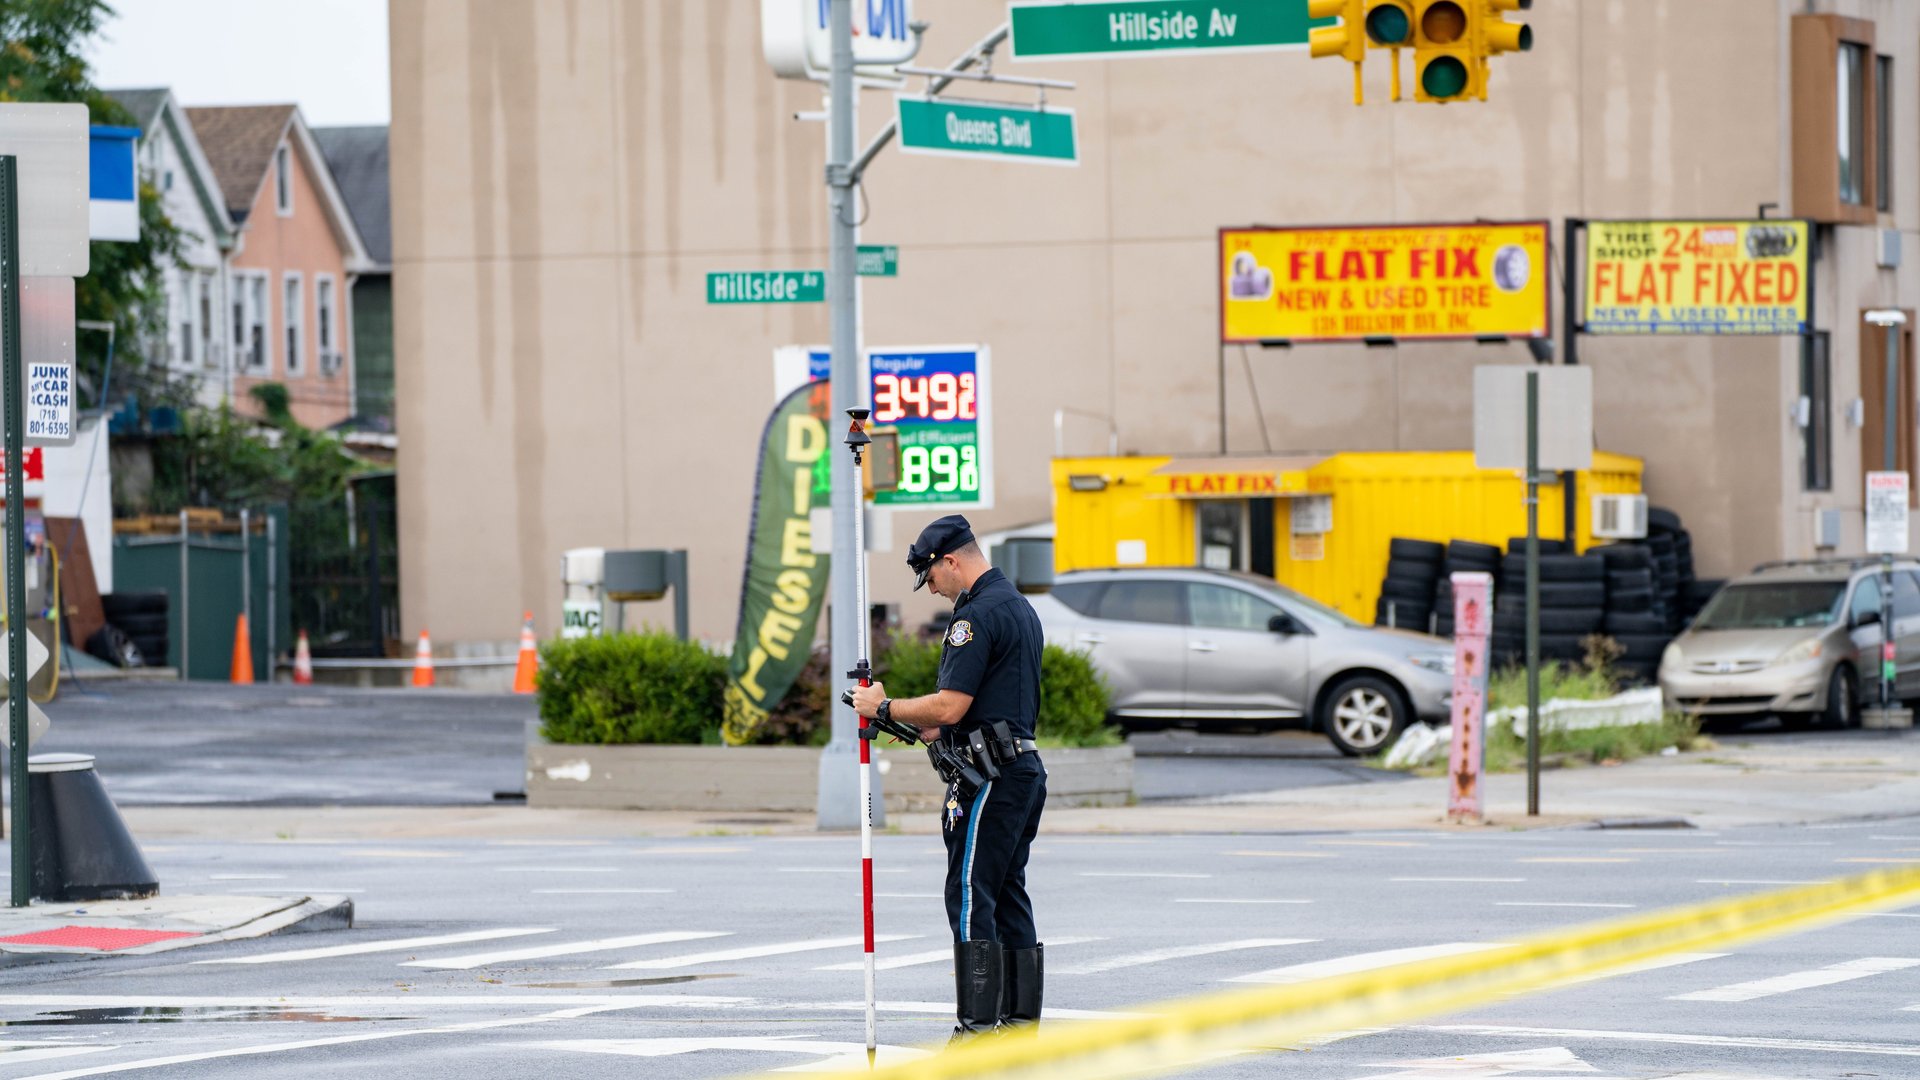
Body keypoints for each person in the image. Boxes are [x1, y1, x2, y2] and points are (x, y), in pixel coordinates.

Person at [850, 514, 1047, 1041]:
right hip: (1021, 768)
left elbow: (951, 705)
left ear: (951, 561)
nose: (932, 588)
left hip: (991, 776)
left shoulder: (974, 616)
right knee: (1007, 891)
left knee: (969, 893)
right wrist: (927, 725)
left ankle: (975, 1034)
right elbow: (987, 705)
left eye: (931, 576)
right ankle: (1018, 1031)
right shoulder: (1018, 605)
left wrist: (883, 705)